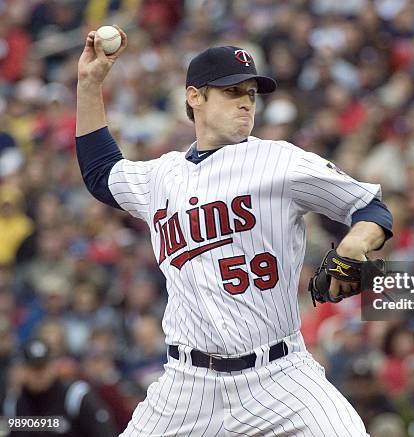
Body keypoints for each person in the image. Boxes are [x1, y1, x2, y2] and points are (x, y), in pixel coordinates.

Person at [75, 26, 393, 435]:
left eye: (250, 94)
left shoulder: (281, 162)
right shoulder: (160, 177)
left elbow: (370, 208)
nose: (245, 103)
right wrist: (88, 83)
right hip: (187, 386)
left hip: (280, 376)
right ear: (195, 96)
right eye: (231, 92)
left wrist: (354, 244)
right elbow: (101, 173)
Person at [3, 338, 117, 436]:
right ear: (22, 370)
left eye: (43, 367)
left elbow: (105, 432)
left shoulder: (75, 396)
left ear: (53, 366)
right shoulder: (13, 405)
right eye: (33, 368)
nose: (39, 374)